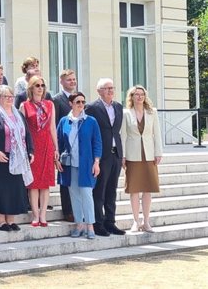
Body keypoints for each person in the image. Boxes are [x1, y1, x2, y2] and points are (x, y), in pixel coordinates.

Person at [0, 85, 33, 231]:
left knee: (14, 190)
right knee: (1, 190)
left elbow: (26, 133)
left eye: (11, 96)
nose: (9, 99)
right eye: (6, 96)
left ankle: (11, 220)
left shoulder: (17, 114)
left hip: (17, 158)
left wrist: (30, 151)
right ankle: (0, 221)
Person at [56, 92, 102, 239]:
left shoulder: (91, 121)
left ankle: (90, 225)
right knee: (74, 195)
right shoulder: (64, 121)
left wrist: (96, 162)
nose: (81, 105)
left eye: (83, 102)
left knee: (87, 195)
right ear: (71, 103)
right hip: (69, 165)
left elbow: (97, 143)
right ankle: (79, 224)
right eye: (78, 102)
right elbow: (57, 142)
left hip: (86, 164)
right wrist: (57, 160)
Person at [86, 78, 125, 237]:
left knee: (112, 191)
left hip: (116, 154)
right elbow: (90, 133)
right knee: (99, 191)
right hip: (101, 155)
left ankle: (111, 222)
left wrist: (122, 155)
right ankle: (98, 223)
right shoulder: (92, 108)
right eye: (106, 88)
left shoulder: (118, 107)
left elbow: (116, 130)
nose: (110, 91)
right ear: (99, 91)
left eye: (112, 88)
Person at [121, 85, 162, 233]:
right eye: (136, 94)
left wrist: (159, 153)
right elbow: (123, 136)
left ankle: (146, 221)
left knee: (148, 189)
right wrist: (123, 156)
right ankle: (135, 221)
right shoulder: (126, 113)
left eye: (142, 94)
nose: (139, 97)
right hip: (133, 156)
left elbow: (157, 134)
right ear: (131, 97)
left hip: (149, 155)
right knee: (134, 190)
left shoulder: (152, 113)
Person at [19, 76, 58, 227]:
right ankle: (35, 215)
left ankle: (43, 215)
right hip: (33, 146)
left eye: (42, 85)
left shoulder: (50, 104)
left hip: (47, 144)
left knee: (46, 183)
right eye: (37, 85)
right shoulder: (24, 105)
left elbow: (52, 127)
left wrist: (56, 148)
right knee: (33, 183)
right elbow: (22, 130)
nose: (40, 88)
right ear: (31, 88)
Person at [52, 69, 78, 222]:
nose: (72, 82)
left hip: (79, 146)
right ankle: (68, 211)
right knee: (66, 179)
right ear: (61, 81)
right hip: (64, 146)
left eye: (74, 79)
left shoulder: (79, 98)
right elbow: (55, 125)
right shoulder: (57, 99)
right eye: (69, 80)